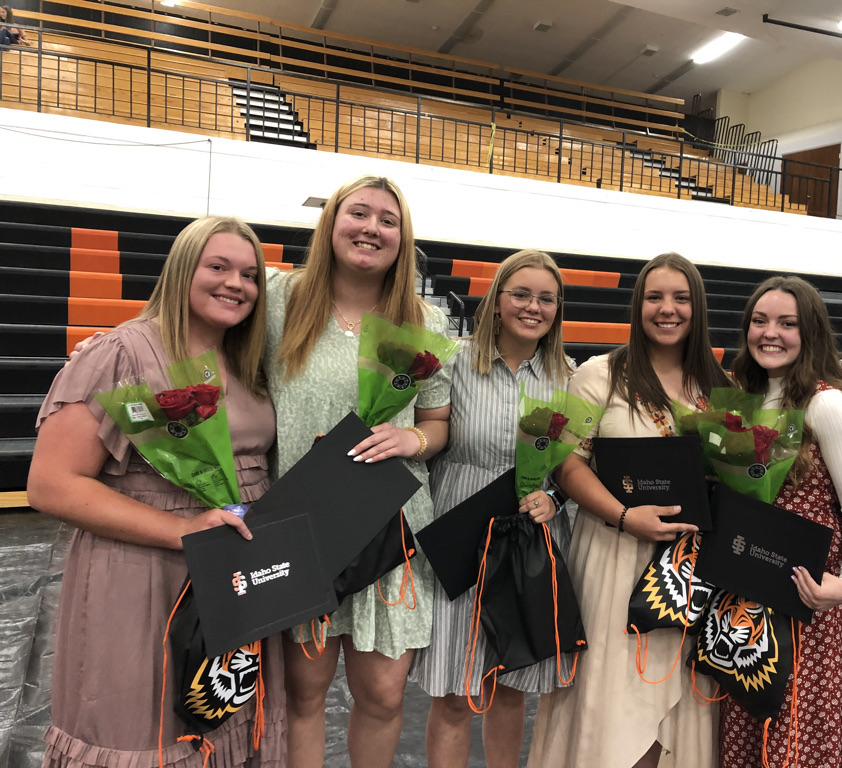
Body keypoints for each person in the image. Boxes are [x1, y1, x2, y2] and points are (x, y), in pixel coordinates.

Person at [27, 216, 286, 767]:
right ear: (180, 270)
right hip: (144, 574)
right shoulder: (122, 352)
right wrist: (184, 530)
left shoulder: (247, 363)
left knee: (226, 716)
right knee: (145, 724)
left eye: (249, 274)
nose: (235, 284)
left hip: (237, 572)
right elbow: (51, 485)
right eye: (217, 267)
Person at [264, 175, 452, 768]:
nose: (372, 228)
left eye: (387, 221)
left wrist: (414, 436)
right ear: (331, 223)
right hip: (302, 525)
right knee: (304, 693)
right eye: (359, 213)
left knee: (382, 694)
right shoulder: (278, 300)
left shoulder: (425, 322)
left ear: (402, 239)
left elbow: (439, 424)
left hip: (386, 530)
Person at [528, 252, 732, 768]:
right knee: (613, 711)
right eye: (656, 297)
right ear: (638, 306)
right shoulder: (600, 375)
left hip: (688, 574)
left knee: (681, 712)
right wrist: (623, 515)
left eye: (681, 298)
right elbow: (568, 466)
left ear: (698, 307)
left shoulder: (720, 387)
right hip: (614, 557)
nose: (668, 309)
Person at [409, 249, 575, 768]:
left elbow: (577, 464)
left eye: (546, 298)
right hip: (462, 525)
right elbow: (430, 433)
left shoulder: (570, 377)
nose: (534, 306)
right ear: (497, 300)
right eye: (521, 294)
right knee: (455, 691)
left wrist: (557, 497)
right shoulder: (454, 363)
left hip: (531, 533)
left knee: (511, 687)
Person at [718, 275, 842, 768]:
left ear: (809, 333)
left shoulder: (824, 403)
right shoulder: (738, 396)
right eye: (760, 321)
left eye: (788, 324)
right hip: (745, 592)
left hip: (804, 600)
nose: (771, 333)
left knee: (794, 738)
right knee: (746, 730)